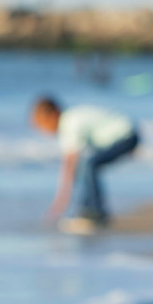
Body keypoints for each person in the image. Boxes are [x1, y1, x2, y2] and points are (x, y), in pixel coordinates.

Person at [28, 96, 140, 234]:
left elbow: (69, 166)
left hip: (126, 136)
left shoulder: (69, 124)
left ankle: (96, 212)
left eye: (43, 124)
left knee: (90, 165)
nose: (44, 131)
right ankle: (88, 209)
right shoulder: (70, 119)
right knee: (88, 166)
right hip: (127, 133)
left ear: (53, 114)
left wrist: (60, 201)